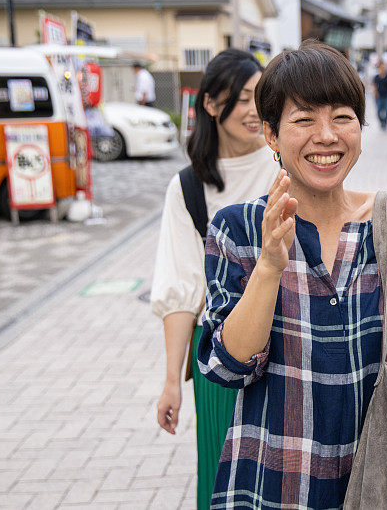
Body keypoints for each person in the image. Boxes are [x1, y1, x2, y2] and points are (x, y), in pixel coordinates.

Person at [197, 40, 387, 509]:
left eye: (342, 117)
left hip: (383, 481)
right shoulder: (236, 228)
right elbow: (228, 365)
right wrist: (268, 267)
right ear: (271, 136)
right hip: (271, 482)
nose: (326, 136)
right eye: (303, 120)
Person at [151, 49, 279, 510]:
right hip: (222, 357)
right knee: (222, 478)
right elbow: (183, 288)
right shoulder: (187, 188)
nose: (254, 110)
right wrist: (170, 381)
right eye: (243, 98)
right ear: (210, 104)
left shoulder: (287, 163)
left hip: (291, 339)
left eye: (260, 97)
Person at [371, 61, 387, 131]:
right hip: (378, 97)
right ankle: (381, 122)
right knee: (378, 111)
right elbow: (374, 86)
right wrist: (375, 93)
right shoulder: (376, 77)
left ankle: (385, 123)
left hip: (386, 96)